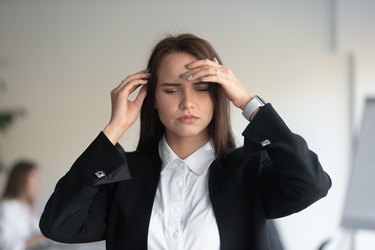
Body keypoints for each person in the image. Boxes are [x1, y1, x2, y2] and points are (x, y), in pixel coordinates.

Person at [39, 33, 331, 250]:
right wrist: (114, 129)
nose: (187, 102)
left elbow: (311, 184)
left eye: (202, 88)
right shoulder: (125, 175)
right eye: (170, 89)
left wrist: (247, 102)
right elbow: (58, 225)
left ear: (219, 96)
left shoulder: (249, 170)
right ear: (152, 99)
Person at [0, 160, 46, 250]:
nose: (39, 184)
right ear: (21, 181)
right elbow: (5, 246)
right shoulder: (6, 208)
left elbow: (38, 232)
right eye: (35, 179)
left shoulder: (26, 207)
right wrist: (39, 238)